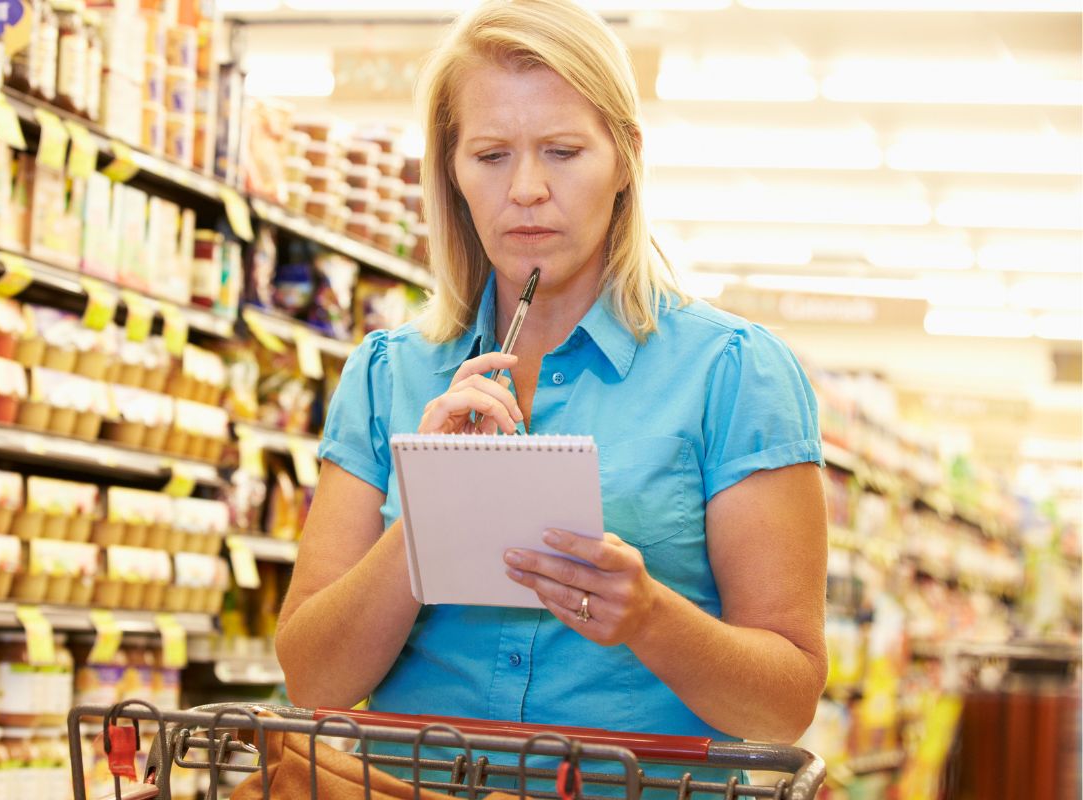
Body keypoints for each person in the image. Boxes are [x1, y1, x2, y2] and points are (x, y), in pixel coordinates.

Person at [275, 0, 828, 790]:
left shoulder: (734, 373)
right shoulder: (386, 374)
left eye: (563, 151)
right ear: (452, 168)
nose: (527, 189)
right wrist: (431, 510)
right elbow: (312, 679)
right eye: (491, 155)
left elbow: (785, 704)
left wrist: (648, 617)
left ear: (626, 156)